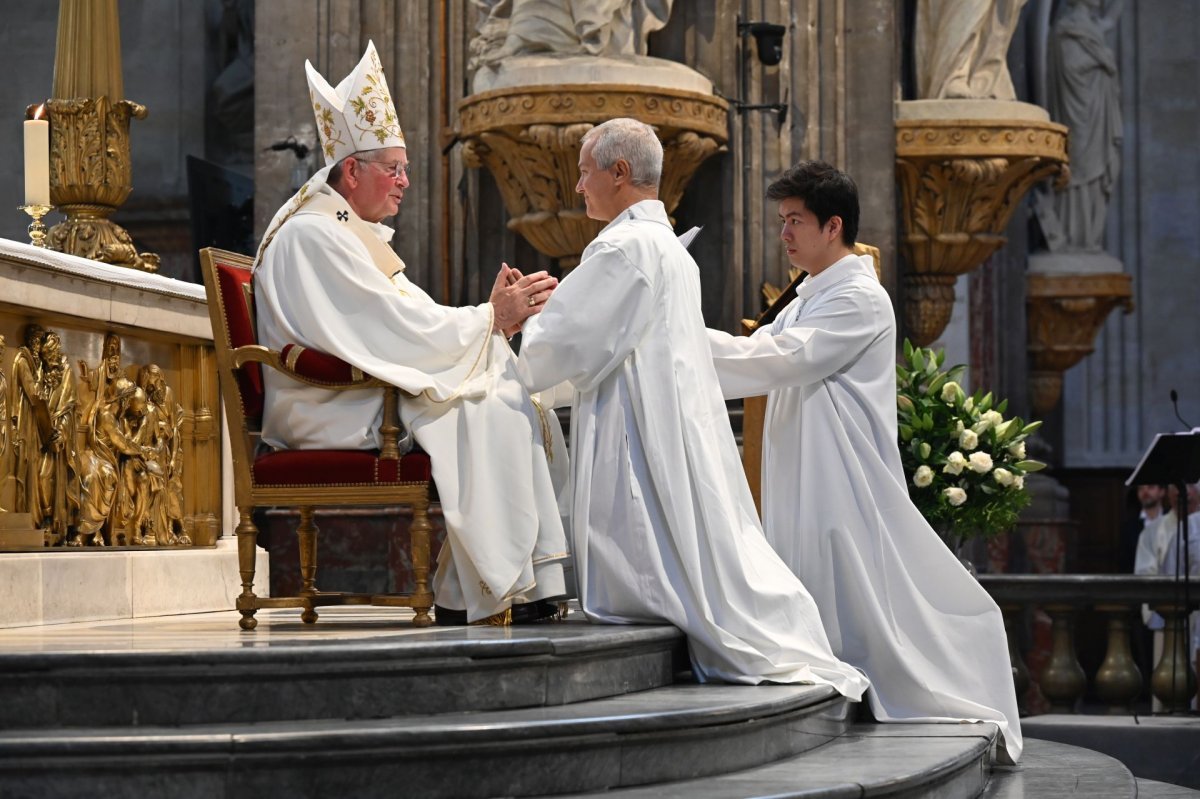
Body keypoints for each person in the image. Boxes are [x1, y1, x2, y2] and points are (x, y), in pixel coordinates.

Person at [514, 118, 868, 698]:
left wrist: (521, 322)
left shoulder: (624, 248)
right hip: (668, 420)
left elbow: (558, 352)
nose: (579, 187)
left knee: (656, 558)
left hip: (637, 429)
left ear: (620, 173)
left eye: (584, 173)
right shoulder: (669, 250)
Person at [706, 160, 1022, 763]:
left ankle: (857, 694)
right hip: (801, 467)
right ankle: (825, 696)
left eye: (795, 221)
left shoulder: (858, 296)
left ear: (834, 226)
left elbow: (782, 359)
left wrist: (674, 340)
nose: (784, 234)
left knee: (850, 591)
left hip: (841, 475)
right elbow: (765, 350)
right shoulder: (808, 294)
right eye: (781, 221)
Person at [254, 41, 570, 625]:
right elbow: (390, 329)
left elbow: (401, 322)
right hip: (325, 403)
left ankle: (510, 584)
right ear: (352, 170)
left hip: (362, 386)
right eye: (393, 170)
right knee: (491, 405)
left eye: (404, 169)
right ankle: (493, 589)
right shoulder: (313, 236)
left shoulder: (348, 231)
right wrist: (488, 319)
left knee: (506, 395)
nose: (404, 183)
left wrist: (490, 321)